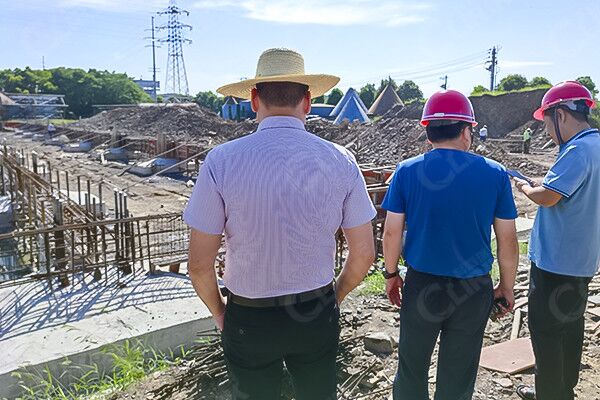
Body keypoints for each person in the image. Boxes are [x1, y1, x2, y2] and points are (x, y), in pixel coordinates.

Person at [184, 48, 377, 400]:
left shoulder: (220, 161)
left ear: (254, 100)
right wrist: (334, 299)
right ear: (308, 101)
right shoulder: (342, 160)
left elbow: (198, 265)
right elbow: (363, 255)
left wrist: (221, 315)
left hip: (248, 316)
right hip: (316, 310)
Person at [382, 89, 519, 400]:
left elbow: (391, 233)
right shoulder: (495, 173)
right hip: (472, 290)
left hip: (422, 286)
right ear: (466, 131)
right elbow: (508, 240)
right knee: (458, 374)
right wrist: (506, 287)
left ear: (428, 130)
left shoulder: (406, 171)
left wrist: (391, 274)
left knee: (412, 367)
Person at [513, 81, 600, 400]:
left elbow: (548, 197)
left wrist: (524, 187)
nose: (547, 132)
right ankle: (563, 389)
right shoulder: (595, 145)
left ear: (560, 115)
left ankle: (550, 393)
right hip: (582, 261)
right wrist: (542, 184)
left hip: (555, 264)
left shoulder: (577, 150)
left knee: (546, 333)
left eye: (547, 123)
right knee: (570, 328)